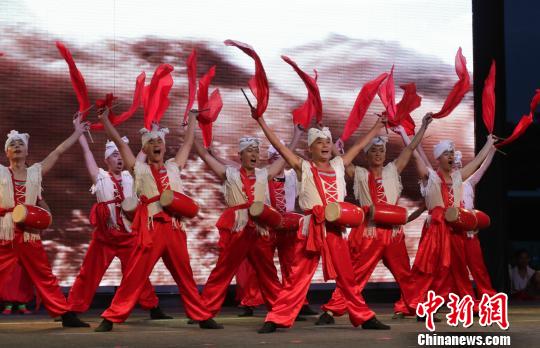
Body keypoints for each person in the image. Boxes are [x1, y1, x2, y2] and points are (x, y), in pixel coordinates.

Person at [255, 112, 391, 333]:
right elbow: (280, 146)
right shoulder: (303, 167)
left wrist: (377, 126)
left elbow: (357, 147)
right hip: (312, 228)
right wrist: (261, 121)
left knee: (348, 277)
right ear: (311, 148)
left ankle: (364, 317)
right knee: (297, 277)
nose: (326, 145)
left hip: (335, 228)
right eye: (320, 142)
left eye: (328, 141)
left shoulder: (338, 165)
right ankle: (276, 317)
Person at [95, 108, 222, 332]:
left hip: (173, 228)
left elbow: (188, 143)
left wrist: (192, 119)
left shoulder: (173, 166)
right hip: (150, 228)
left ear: (163, 146)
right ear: (145, 148)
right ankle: (112, 317)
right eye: (151, 142)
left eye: (159, 141)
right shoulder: (139, 169)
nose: (156, 144)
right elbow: (121, 144)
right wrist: (105, 120)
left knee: (185, 276)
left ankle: (201, 316)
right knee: (135, 276)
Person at [317, 113, 433, 325]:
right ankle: (332, 311)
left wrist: (423, 127)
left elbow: (409, 149)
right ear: (367, 155)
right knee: (356, 274)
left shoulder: (392, 170)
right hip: (369, 231)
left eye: (381, 150)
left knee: (405, 274)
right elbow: (340, 163)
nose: (378, 154)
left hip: (393, 232)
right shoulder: (359, 173)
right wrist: (330, 140)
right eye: (374, 151)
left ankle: (420, 307)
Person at [195, 125, 301, 317]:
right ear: (240, 155)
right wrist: (192, 125)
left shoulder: (263, 174)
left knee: (267, 272)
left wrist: (297, 135)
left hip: (259, 228)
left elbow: (286, 156)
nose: (254, 155)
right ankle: (205, 312)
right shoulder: (230, 174)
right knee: (223, 271)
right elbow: (203, 154)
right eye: (249, 151)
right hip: (238, 227)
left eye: (256, 151)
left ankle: (279, 313)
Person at [68, 132, 170, 319]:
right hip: (105, 237)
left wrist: (153, 133)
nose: (120, 158)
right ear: (107, 159)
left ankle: (153, 307)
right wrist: (80, 134)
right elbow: (86, 153)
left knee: (138, 273)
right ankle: (72, 309)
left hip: (128, 236)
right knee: (88, 273)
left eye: (121, 155)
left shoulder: (132, 176)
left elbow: (142, 152)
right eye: (115, 155)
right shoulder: (99, 176)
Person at [0, 118, 90, 327]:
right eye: (12, 144)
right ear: (7, 153)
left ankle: (65, 314)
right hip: (6, 231)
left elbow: (58, 152)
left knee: (44, 275)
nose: (16, 146)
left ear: (27, 151)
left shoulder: (35, 173)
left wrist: (77, 132)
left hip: (29, 232)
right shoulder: (1, 173)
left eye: (20, 143)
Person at [407, 135, 497, 316]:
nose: (450, 156)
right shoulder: (430, 177)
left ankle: (465, 304)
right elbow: (415, 154)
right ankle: (421, 304)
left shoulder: (458, 177)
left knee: (458, 270)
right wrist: (412, 133)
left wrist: (488, 143)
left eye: (451, 153)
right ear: (438, 158)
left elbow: (478, 163)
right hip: (436, 232)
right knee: (434, 270)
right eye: (446, 154)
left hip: (455, 230)